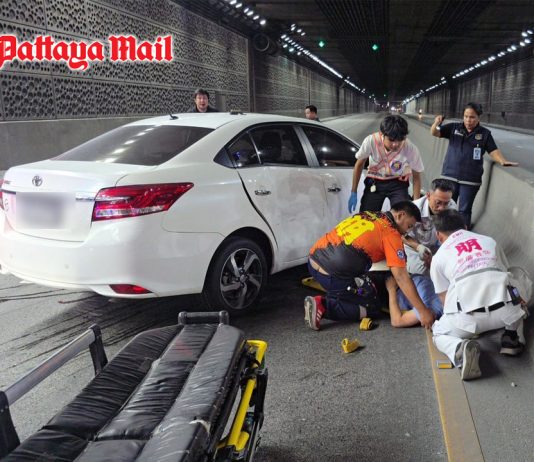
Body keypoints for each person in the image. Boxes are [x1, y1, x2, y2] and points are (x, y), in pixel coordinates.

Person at [304, 201, 435, 331]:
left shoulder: (369, 215)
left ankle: (339, 293)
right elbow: (401, 277)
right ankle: (323, 305)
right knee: (372, 306)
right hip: (332, 276)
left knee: (365, 275)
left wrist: (417, 246)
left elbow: (399, 236)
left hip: (313, 260)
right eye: (409, 226)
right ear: (400, 215)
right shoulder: (391, 234)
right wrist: (423, 311)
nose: (408, 231)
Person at [430, 209, 527, 381]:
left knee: (438, 333)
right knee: (517, 276)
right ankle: (511, 338)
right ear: (465, 227)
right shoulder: (488, 241)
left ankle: (459, 349)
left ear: (438, 235)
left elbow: (445, 300)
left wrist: (469, 327)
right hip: (506, 313)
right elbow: (506, 273)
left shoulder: (438, 257)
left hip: (468, 319)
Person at [430, 102, 518, 229]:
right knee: (446, 207)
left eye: (472, 117)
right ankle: (442, 233)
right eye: (466, 116)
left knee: (464, 210)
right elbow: (435, 133)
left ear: (478, 117)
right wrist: (436, 124)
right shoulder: (454, 128)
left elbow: (493, 150)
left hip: (470, 180)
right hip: (449, 176)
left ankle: (463, 234)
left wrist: (502, 160)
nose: (468, 120)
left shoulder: (484, 134)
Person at [348, 115, 424, 214]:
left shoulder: (410, 148)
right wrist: (353, 191)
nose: (395, 144)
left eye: (400, 139)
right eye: (391, 140)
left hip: (398, 184)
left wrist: (416, 203)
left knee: (402, 215)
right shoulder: (371, 141)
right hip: (375, 182)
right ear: (382, 134)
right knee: (367, 216)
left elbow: (416, 176)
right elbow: (359, 164)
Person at [403, 178, 456, 275]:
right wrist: (419, 247)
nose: (442, 208)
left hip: (436, 246)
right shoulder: (412, 209)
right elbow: (402, 235)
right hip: (414, 247)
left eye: (446, 203)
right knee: (422, 273)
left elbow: (450, 234)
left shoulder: (452, 207)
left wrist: (440, 256)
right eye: (438, 202)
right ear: (428, 195)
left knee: (449, 269)